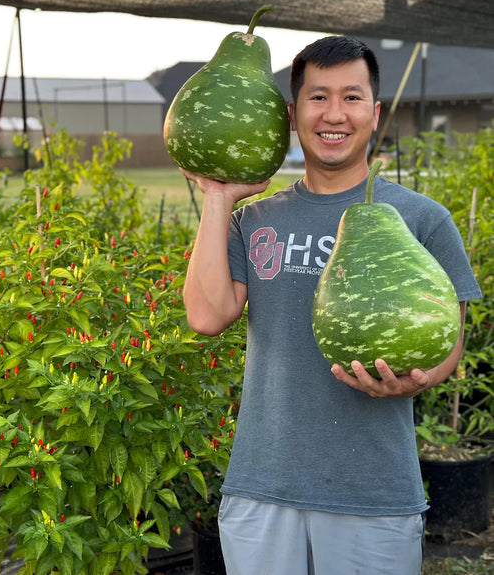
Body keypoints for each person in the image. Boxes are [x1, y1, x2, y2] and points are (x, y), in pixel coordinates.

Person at [182, 36, 481, 575]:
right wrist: (219, 197)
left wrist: (417, 378)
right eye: (319, 98)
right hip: (262, 487)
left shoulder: (422, 219)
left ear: (375, 110)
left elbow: (448, 344)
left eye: (352, 97)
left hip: (374, 492)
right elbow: (206, 316)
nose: (335, 114)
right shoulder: (255, 219)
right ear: (293, 114)